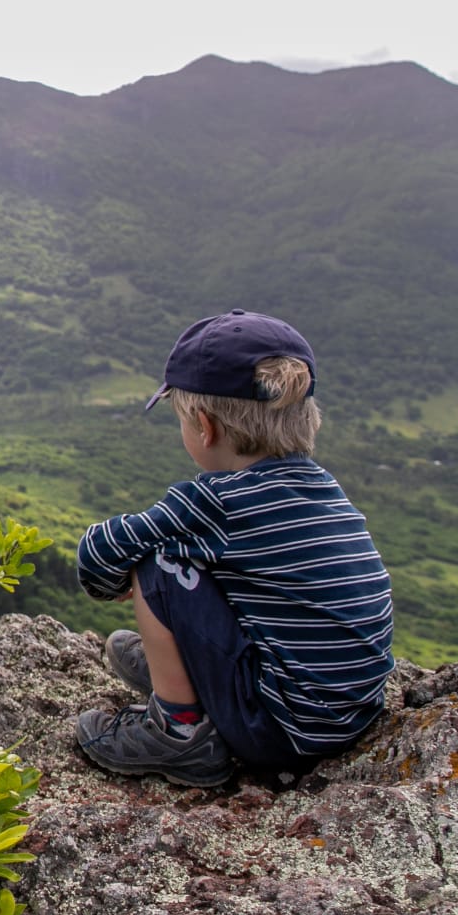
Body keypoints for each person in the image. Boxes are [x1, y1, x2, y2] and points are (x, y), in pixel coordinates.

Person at [75, 308, 393, 787]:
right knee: (208, 563)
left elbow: (97, 558)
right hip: (351, 716)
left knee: (159, 559)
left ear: (205, 427)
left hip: (282, 731)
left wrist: (128, 576)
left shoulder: (213, 502)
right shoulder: (325, 488)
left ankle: (179, 731)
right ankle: (189, 671)